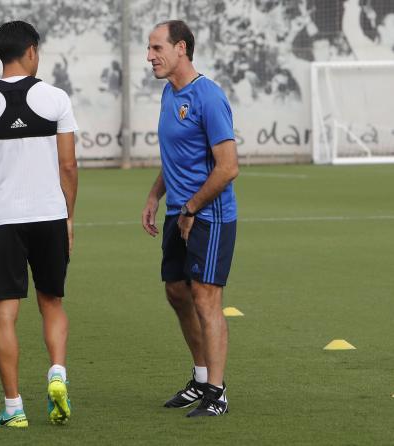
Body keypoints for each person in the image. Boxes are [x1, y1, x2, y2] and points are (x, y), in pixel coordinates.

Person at [0, 20, 78, 428]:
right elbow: (68, 165)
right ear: (31, 50)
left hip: (5, 220)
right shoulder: (56, 98)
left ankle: (14, 408)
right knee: (52, 303)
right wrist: (68, 217)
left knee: (4, 315)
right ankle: (57, 373)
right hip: (50, 216)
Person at [142, 20, 239, 418]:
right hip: (177, 211)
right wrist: (154, 194)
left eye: (156, 48)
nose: (149, 57)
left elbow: (228, 167)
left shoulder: (209, 97)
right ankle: (200, 378)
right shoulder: (169, 94)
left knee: (204, 297)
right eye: (148, 49)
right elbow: (176, 157)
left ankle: (217, 391)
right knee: (176, 293)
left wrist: (192, 208)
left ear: (181, 48)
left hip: (209, 215)